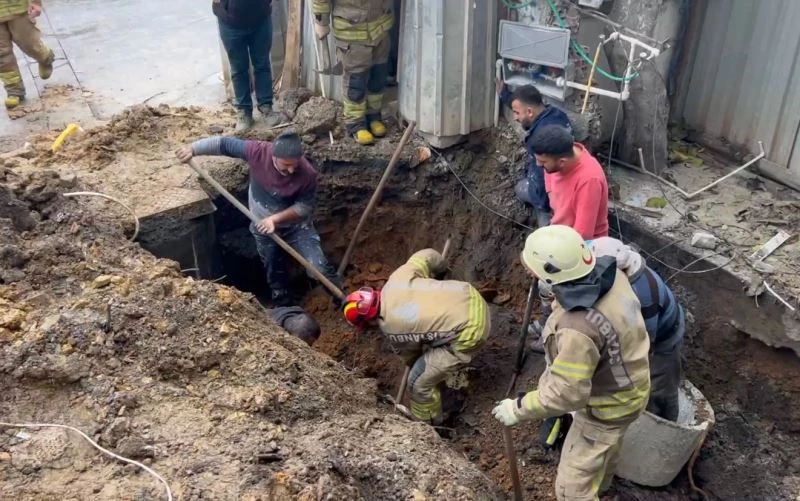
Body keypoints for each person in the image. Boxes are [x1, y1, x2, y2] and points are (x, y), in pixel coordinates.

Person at [492, 225, 650, 500]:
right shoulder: (612, 276)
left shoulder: (577, 328)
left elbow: (567, 394)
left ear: (552, 275)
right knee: (606, 450)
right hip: (633, 386)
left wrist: (518, 409)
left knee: (571, 490)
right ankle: (602, 487)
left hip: (606, 409)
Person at [176, 131, 341, 306]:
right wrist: (193, 149)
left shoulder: (307, 173)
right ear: (274, 157)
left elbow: (304, 207)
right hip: (262, 226)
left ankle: (341, 299)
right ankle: (284, 303)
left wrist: (274, 219)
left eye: (295, 165)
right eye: (286, 165)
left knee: (318, 267)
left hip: (297, 227)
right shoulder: (258, 152)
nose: (291, 170)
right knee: (273, 267)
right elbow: (223, 144)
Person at [342, 248, 490, 424]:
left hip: (471, 329)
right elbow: (427, 256)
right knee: (435, 350)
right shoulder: (397, 277)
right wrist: (441, 271)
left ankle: (429, 426)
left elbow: (412, 358)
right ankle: (448, 374)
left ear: (370, 321)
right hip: (469, 294)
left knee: (417, 383)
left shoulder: (392, 327)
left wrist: (423, 368)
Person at [590, 237, 684, 421]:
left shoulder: (643, 294)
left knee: (660, 387)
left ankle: (664, 424)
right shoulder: (616, 274)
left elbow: (642, 345)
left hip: (664, 338)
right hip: (643, 326)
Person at [312, 0, 393, 145]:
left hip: (380, 28)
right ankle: (356, 124)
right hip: (352, 31)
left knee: (378, 76)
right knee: (356, 81)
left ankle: (374, 116)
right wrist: (321, 21)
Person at [496, 83, 572, 228]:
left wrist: (542, 205)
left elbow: (541, 178)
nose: (515, 117)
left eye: (516, 113)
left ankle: (543, 218)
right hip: (561, 190)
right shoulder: (556, 115)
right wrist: (504, 95)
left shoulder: (541, 141)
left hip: (552, 199)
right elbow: (522, 103)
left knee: (520, 189)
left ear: (530, 112)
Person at [213, 0, 281, 132]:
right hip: (230, 20)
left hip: (260, 17)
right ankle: (244, 111)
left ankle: (266, 106)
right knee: (238, 68)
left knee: (262, 64)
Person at [0, 0, 54, 110]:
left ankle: (45, 57)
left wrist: (35, 3)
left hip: (18, 9)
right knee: (2, 54)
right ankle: (14, 90)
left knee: (29, 44)